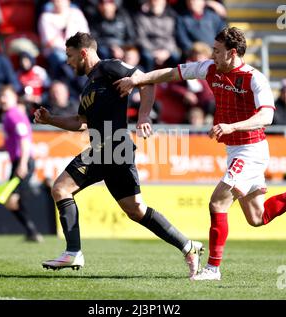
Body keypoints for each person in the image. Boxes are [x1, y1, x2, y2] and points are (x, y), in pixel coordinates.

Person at [115, 27, 286, 280]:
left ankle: (213, 269)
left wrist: (231, 126)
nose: (212, 55)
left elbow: (267, 116)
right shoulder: (211, 68)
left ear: (232, 53)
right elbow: (173, 73)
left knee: (217, 202)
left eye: (217, 51)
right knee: (258, 217)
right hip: (236, 149)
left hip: (251, 149)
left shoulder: (254, 78)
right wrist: (139, 79)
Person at [34, 32, 203, 278]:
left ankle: (73, 252)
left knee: (61, 188)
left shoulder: (109, 67)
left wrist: (143, 116)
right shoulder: (90, 84)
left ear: (84, 53)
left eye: (70, 56)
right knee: (135, 209)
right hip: (112, 149)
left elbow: (145, 82)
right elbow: (81, 122)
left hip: (111, 145)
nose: (68, 62)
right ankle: (188, 246)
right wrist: (51, 120)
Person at [0, 85, 43, 242]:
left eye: (6, 96)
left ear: (14, 98)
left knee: (11, 200)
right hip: (19, 161)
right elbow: (14, 141)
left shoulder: (13, 115)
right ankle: (32, 232)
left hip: (23, 162)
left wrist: (23, 164)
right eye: (1, 96)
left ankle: (32, 231)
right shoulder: (10, 115)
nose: (2, 99)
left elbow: (24, 141)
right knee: (12, 200)